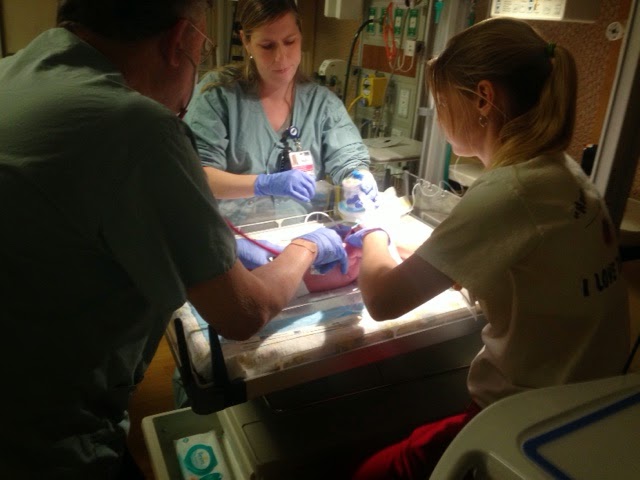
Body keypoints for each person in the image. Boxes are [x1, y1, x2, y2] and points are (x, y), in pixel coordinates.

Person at [0, 0, 348, 477]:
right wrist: (307, 246)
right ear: (179, 41)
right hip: (41, 440)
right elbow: (243, 313)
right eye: (201, 49)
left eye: (290, 42)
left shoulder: (13, 73)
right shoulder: (137, 126)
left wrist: (211, 245)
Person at [344, 17, 630, 479]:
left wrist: (372, 226)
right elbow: (503, 260)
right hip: (586, 405)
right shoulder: (561, 172)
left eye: (441, 101)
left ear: (482, 97)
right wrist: (409, 245)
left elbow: (382, 300)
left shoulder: (510, 192)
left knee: (372, 473)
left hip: (526, 421)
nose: (438, 114)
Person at [183, 0, 379, 227]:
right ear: (246, 41)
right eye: (267, 46)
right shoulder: (218, 96)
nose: (281, 57)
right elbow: (200, 177)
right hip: (234, 236)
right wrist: (263, 184)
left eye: (289, 41)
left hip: (299, 233)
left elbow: (348, 158)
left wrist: (359, 176)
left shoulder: (321, 104)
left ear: (300, 35)